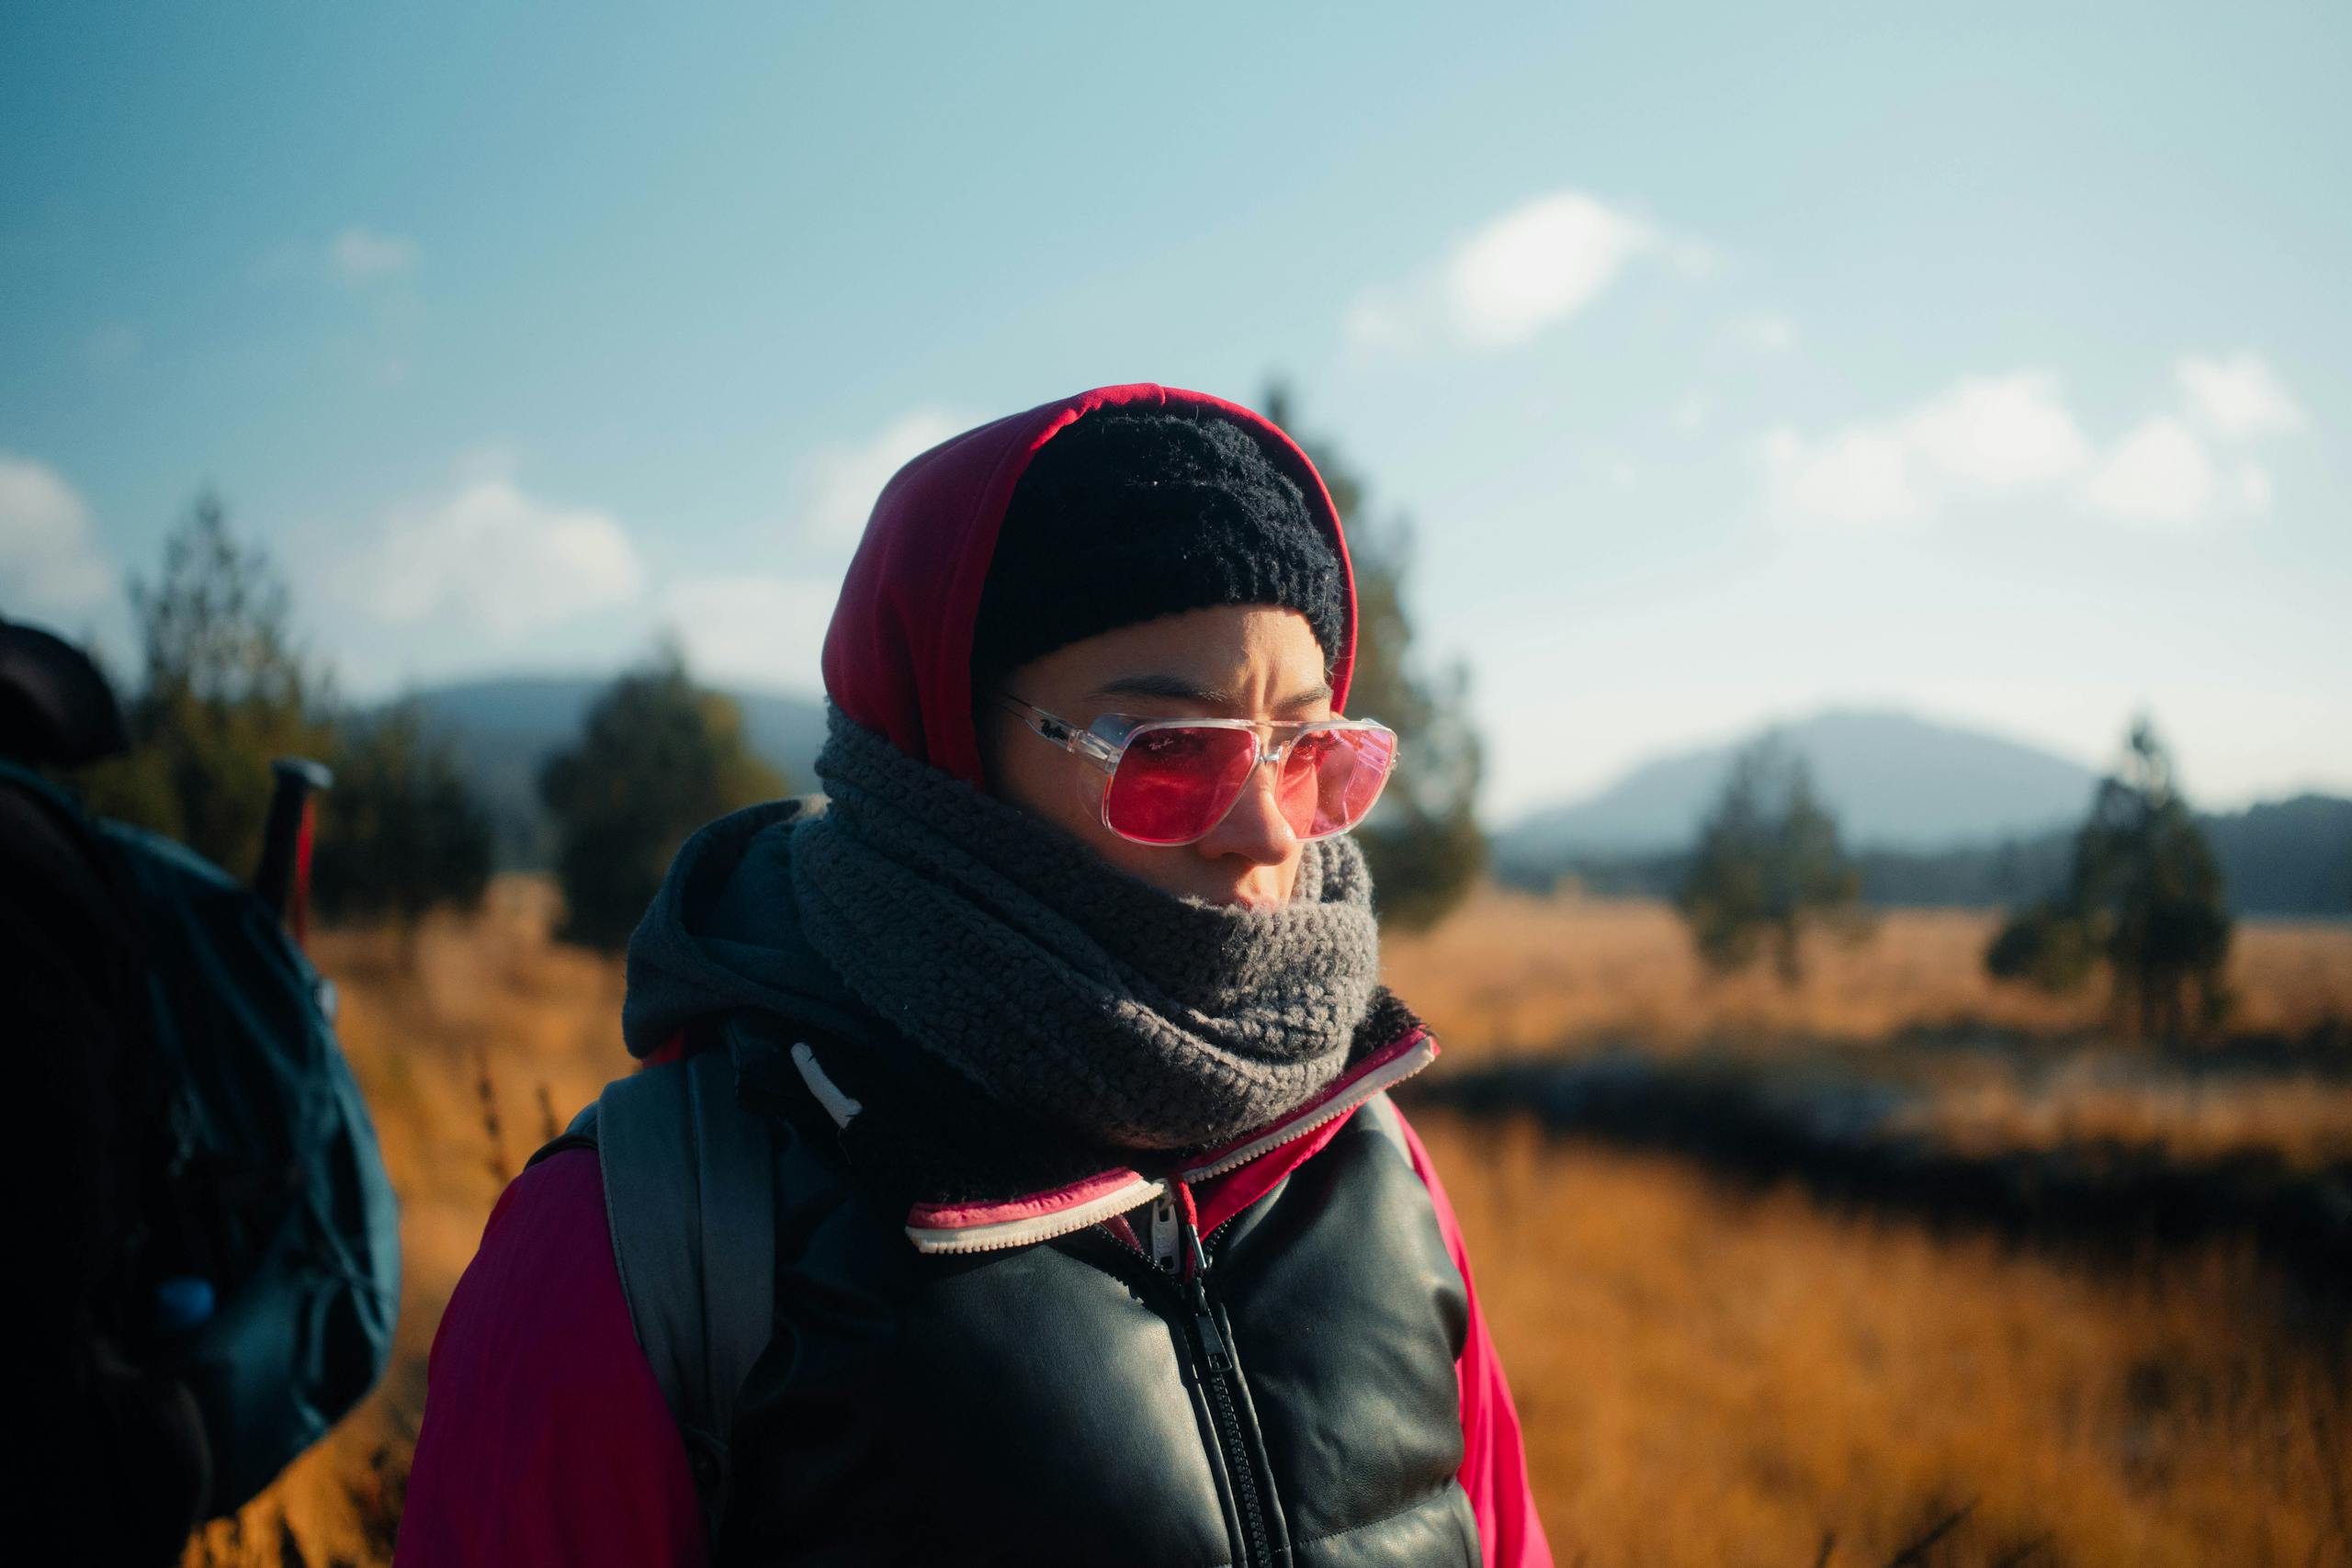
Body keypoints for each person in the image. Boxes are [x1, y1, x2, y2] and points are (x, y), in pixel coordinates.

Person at [396, 384, 1552, 1567]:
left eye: (1307, 749)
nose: (1266, 834)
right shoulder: (643, 1242)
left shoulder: (1369, 1162)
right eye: (1168, 753)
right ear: (944, 747)